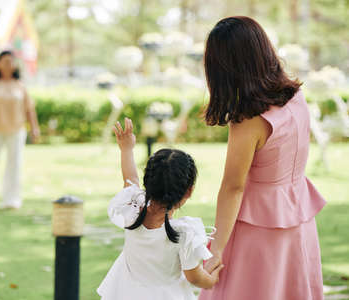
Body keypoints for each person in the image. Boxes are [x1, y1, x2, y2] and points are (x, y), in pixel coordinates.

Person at [199, 16, 327, 300]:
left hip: (257, 229)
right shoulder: (295, 96)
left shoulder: (249, 121)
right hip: (298, 220)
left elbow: (233, 186)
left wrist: (215, 247)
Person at [97, 118, 224, 300]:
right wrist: (211, 280)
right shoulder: (184, 233)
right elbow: (194, 277)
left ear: (147, 182)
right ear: (189, 191)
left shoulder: (132, 210)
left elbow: (129, 179)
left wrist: (126, 149)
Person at [0, 50, 40, 209]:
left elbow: (29, 109)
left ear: (15, 65)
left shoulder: (20, 86)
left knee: (14, 164)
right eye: (4, 61)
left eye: (10, 61)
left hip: (16, 130)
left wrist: (34, 128)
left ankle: (11, 199)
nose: (7, 64)